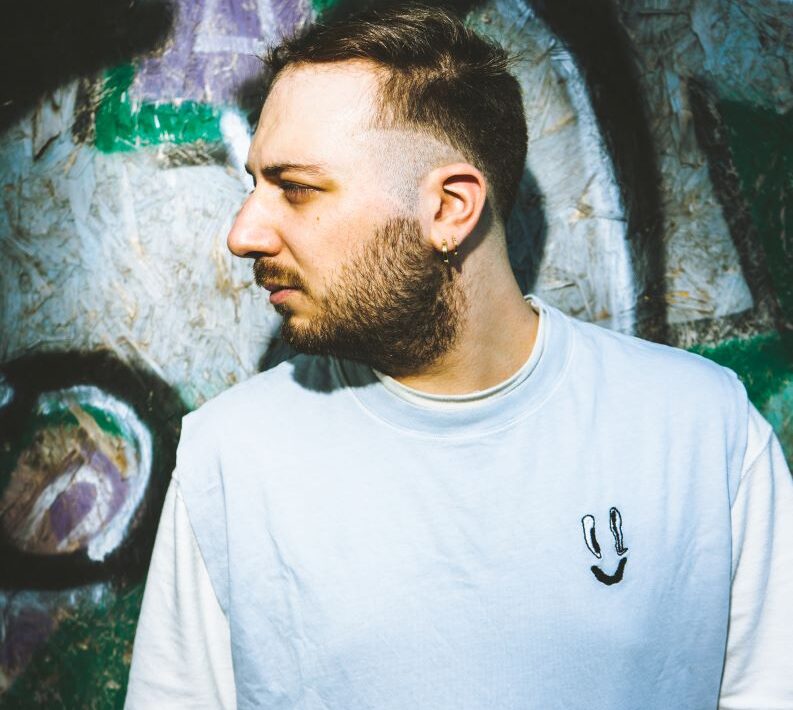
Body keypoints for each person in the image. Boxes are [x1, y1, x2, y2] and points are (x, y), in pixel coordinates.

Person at [125, 5, 793, 709]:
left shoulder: (697, 432)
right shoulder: (231, 457)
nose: (243, 234)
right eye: (254, 186)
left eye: (296, 188)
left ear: (448, 208)